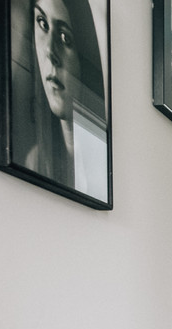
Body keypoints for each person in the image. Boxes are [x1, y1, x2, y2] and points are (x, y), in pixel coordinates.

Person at [22, 0, 105, 192]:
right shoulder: (35, 161)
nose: (51, 51)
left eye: (64, 37)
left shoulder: (100, 164)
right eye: (43, 24)